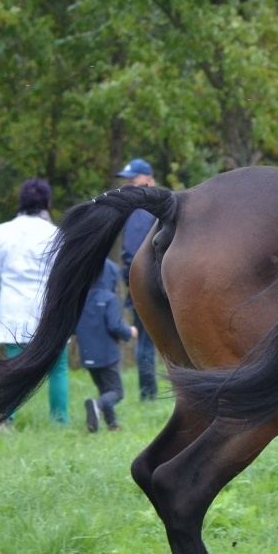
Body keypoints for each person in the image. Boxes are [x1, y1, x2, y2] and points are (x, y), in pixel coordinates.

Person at [0, 177, 69, 424]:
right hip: (47, 310)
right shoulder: (54, 233)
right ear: (48, 203)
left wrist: (7, 278)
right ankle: (60, 421)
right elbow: (61, 273)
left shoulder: (3, 231)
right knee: (58, 367)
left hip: (13, 310)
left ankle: (7, 418)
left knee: (13, 368)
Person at [116, 157, 161, 401]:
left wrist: (130, 279)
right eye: (127, 180)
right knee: (148, 340)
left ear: (148, 179)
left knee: (146, 340)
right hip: (155, 282)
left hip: (147, 282)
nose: (129, 184)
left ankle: (149, 395)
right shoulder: (149, 207)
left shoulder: (140, 211)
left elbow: (132, 254)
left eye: (134, 179)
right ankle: (148, 395)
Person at [75, 258, 136, 432]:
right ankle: (97, 405)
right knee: (116, 392)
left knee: (104, 389)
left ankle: (112, 424)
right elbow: (114, 325)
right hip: (107, 354)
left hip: (88, 355)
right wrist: (129, 332)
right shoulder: (110, 298)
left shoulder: (81, 298)